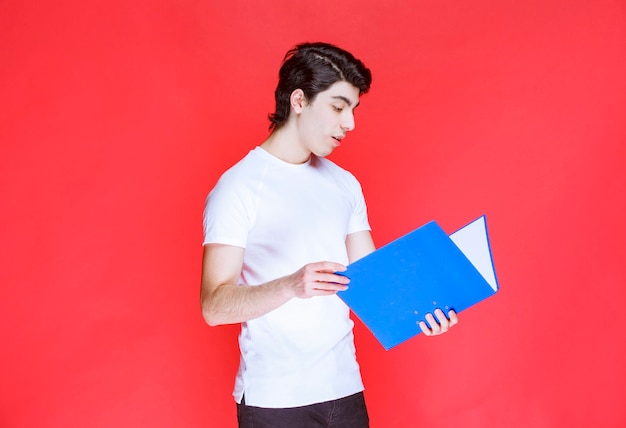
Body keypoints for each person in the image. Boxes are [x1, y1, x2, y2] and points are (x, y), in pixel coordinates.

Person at [201, 42, 458, 428]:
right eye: (338, 107)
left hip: (344, 392)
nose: (349, 123)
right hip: (274, 401)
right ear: (299, 100)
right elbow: (213, 306)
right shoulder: (237, 187)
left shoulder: (344, 185)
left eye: (353, 110)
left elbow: (374, 284)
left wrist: (427, 310)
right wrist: (291, 285)